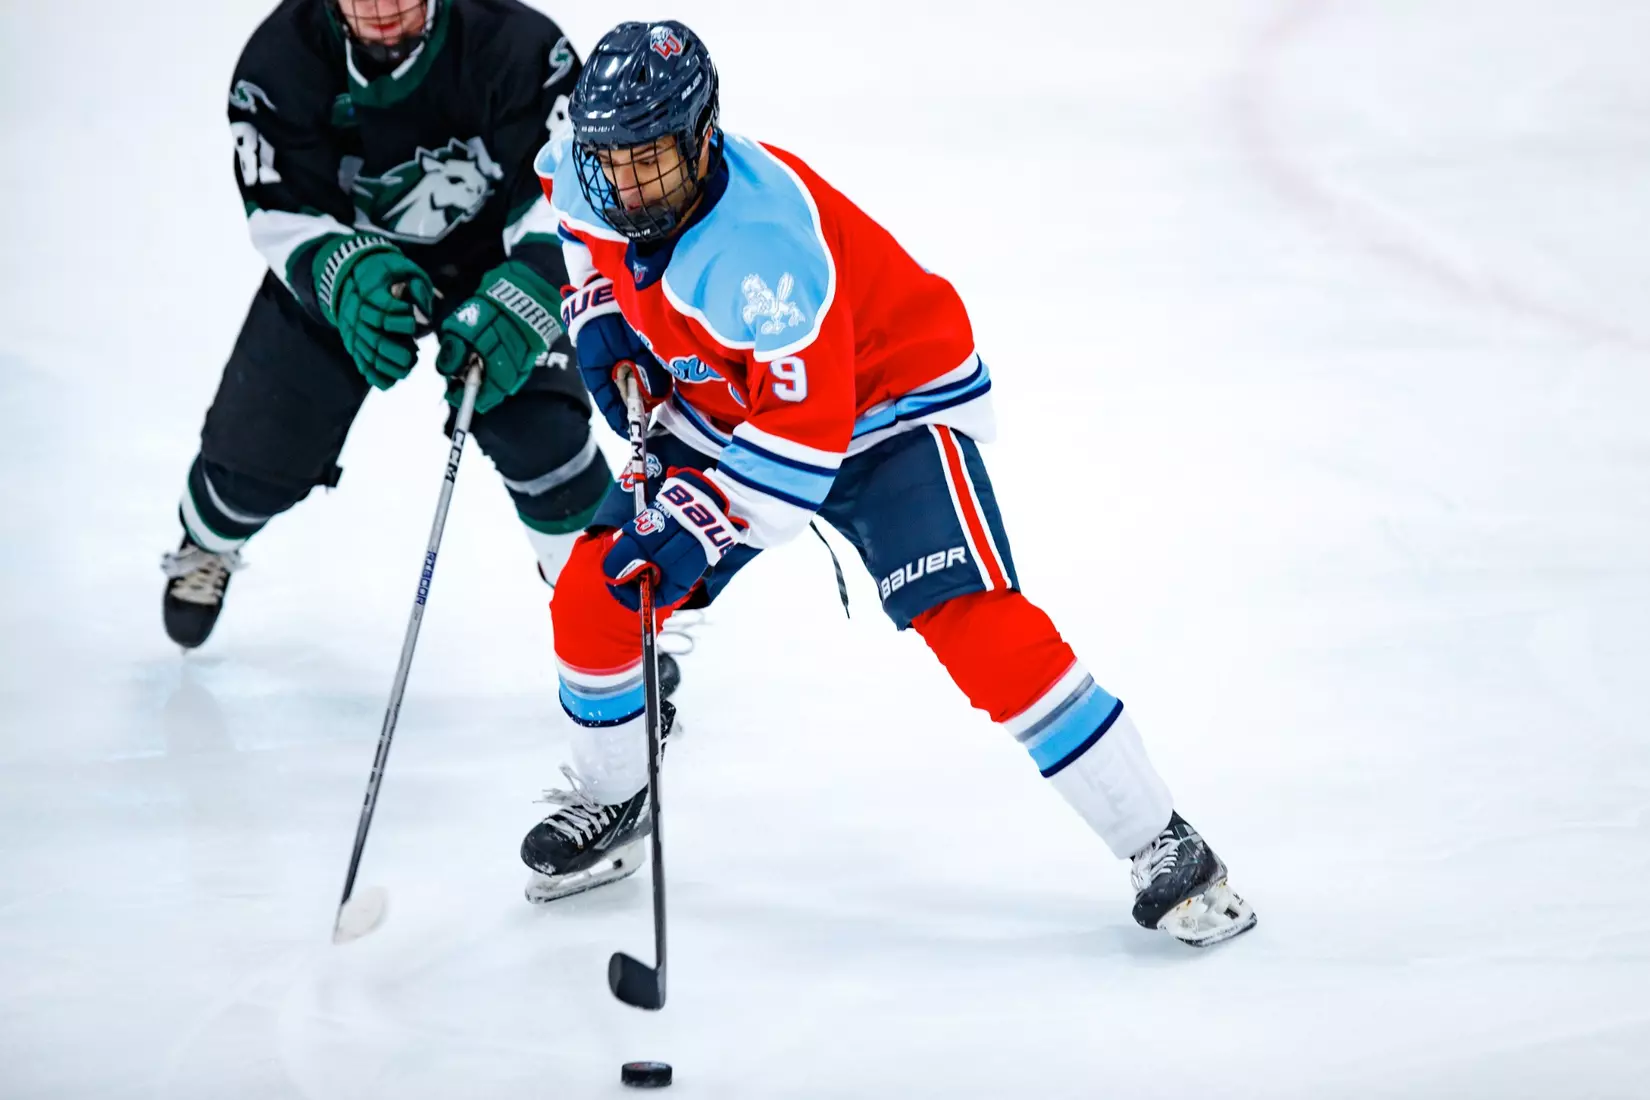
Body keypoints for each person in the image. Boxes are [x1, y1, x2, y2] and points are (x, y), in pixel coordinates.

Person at [517, 20, 1256, 946]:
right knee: (595, 598)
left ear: (703, 134)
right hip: (729, 395)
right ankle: (616, 798)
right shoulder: (593, 168)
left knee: (972, 621)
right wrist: (598, 316)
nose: (627, 183)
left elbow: (804, 442)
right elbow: (575, 225)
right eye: (613, 161)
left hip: (884, 408)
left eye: (652, 159)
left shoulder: (765, 250)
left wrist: (697, 524)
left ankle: (1164, 841)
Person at [160, 0, 657, 673]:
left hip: (497, 262)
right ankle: (205, 541)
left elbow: (569, 190)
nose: (387, 10)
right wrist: (339, 271)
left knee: (544, 438)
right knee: (255, 456)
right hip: (355, 269)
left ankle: (610, 622)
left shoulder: (521, 48)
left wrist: (536, 288)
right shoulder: (277, 66)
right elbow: (282, 209)